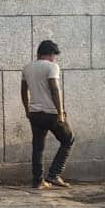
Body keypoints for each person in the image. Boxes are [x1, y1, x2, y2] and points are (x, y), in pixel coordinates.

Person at [22, 40, 74, 189]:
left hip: (34, 113)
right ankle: (54, 174)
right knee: (68, 139)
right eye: (54, 56)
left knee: (38, 147)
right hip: (51, 113)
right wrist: (60, 112)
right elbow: (54, 89)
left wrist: (27, 109)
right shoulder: (52, 67)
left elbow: (23, 90)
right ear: (51, 54)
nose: (54, 59)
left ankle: (37, 181)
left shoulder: (27, 68)